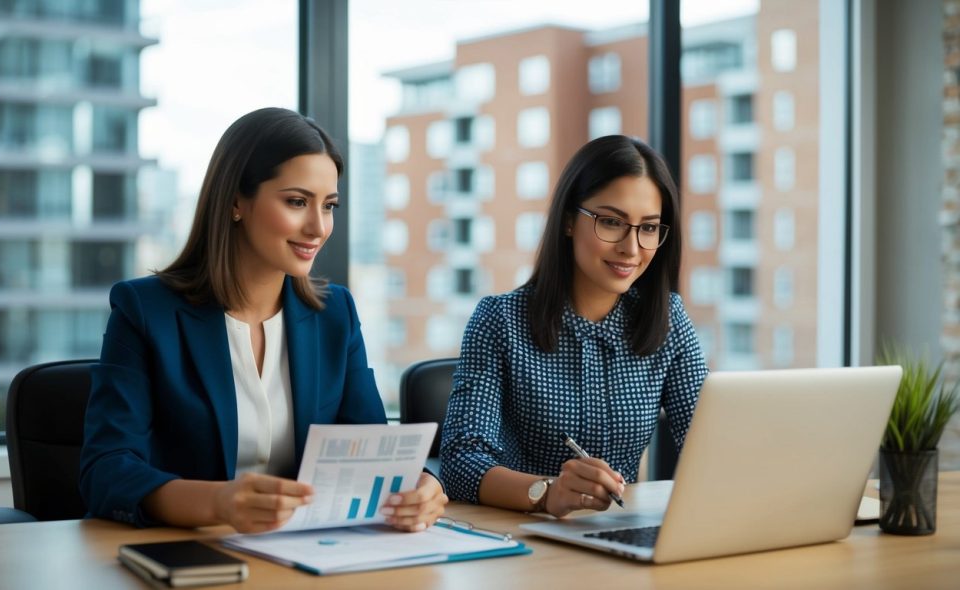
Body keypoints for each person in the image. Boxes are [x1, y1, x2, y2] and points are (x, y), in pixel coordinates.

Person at [80, 107, 446, 533]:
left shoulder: (335, 314)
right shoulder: (145, 310)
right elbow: (105, 470)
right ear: (236, 200)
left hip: (305, 553)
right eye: (296, 202)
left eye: (329, 206)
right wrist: (219, 502)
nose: (318, 227)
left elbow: (373, 455)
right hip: (188, 552)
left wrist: (418, 485)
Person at [439, 135, 708, 517]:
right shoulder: (499, 321)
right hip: (523, 539)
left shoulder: (668, 319)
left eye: (648, 228)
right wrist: (549, 493)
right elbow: (460, 462)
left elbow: (709, 443)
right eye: (611, 222)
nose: (631, 248)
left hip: (619, 533)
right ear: (568, 220)